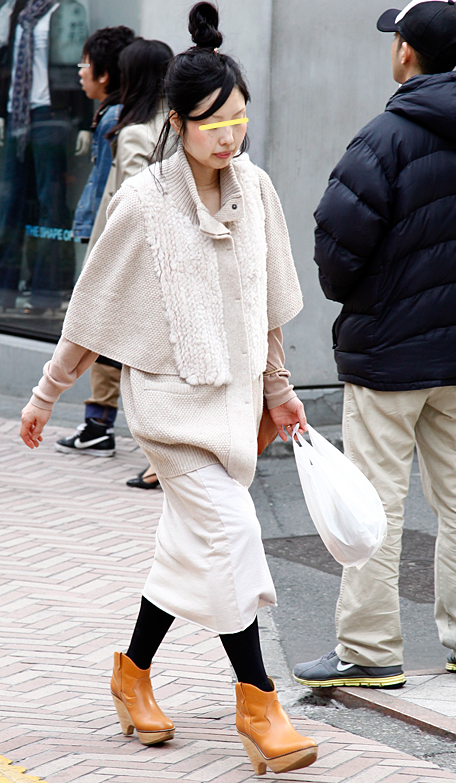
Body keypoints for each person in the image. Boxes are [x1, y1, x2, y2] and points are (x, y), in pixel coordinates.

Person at [20, 2, 318, 774]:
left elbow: (267, 304)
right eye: (213, 121)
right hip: (169, 408)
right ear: (178, 123)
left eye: (239, 118)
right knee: (232, 533)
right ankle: (260, 703)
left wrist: (279, 389)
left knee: (190, 549)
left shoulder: (257, 190)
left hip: (233, 405)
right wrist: (46, 394)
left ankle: (133, 673)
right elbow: (92, 308)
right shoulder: (144, 201)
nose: (229, 134)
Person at [293, 0, 456, 690]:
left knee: (376, 503)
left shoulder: (384, 137)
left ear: (406, 53)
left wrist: (360, 298)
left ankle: (368, 649)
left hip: (389, 353)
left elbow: (338, 245)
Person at [56, 38, 173, 491]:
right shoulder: (179, 124)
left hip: (131, 256)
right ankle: (136, 443)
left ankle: (135, 445)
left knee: (110, 340)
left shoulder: (132, 128)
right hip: (163, 260)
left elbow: (129, 203)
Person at [0, 0, 92, 316]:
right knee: (12, 203)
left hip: (50, 114)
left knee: (50, 202)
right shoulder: (16, 10)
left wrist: (83, 120)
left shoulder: (66, 10)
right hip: (18, 115)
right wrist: (1, 112)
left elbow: (78, 67)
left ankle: (46, 292)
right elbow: (5, 64)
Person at [72, 25, 135, 245]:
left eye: (85, 64)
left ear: (104, 75)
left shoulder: (112, 119)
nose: (80, 72)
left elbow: (105, 189)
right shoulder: (116, 113)